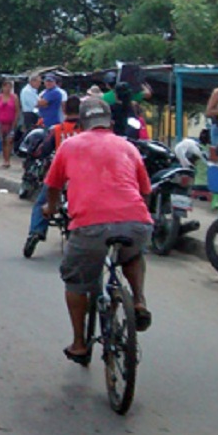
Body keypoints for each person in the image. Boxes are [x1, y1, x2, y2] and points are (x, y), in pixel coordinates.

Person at [42, 97, 153, 366]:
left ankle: (80, 344)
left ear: (81, 124)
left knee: (77, 281)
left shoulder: (69, 145)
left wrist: (51, 208)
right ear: (110, 123)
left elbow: (53, 186)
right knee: (132, 254)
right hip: (136, 219)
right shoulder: (128, 146)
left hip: (90, 226)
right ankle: (138, 301)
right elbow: (145, 191)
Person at [25, 96, 84, 248]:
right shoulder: (85, 130)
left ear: (64, 110)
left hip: (61, 174)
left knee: (41, 203)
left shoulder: (58, 130)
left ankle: (36, 231)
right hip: (83, 176)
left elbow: (44, 150)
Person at [0, 80, 19, 168]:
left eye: (9, 87)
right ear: (2, 87)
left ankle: (8, 160)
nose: (7, 89)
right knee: (3, 141)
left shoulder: (14, 97)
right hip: (0, 122)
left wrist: (15, 121)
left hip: (11, 122)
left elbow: (17, 110)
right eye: (6, 87)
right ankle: (4, 158)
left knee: (9, 141)